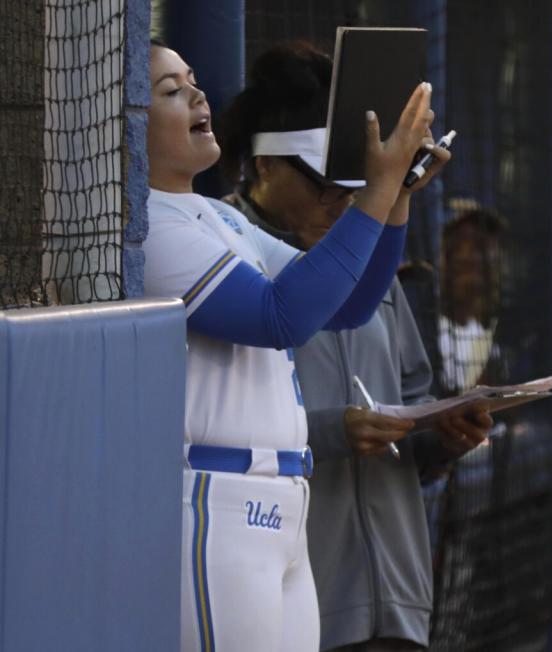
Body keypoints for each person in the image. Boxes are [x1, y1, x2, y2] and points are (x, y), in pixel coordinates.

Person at [142, 40, 441, 652]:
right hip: (214, 498)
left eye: (193, 78)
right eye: (170, 91)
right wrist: (375, 192)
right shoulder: (145, 223)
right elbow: (281, 316)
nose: (197, 94)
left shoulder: (214, 216)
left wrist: (398, 198)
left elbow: (349, 305)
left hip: (284, 503)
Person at [215, 41, 493, 652]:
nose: (343, 202)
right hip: (283, 598)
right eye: (324, 184)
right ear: (265, 166)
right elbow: (205, 433)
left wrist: (439, 436)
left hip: (396, 598)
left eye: (357, 185)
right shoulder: (221, 262)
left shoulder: (370, 262)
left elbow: (411, 395)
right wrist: (332, 432)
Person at [436, 200, 507, 396]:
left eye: (487, 243)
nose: (480, 256)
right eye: (468, 242)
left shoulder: (494, 335)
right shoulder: (424, 329)